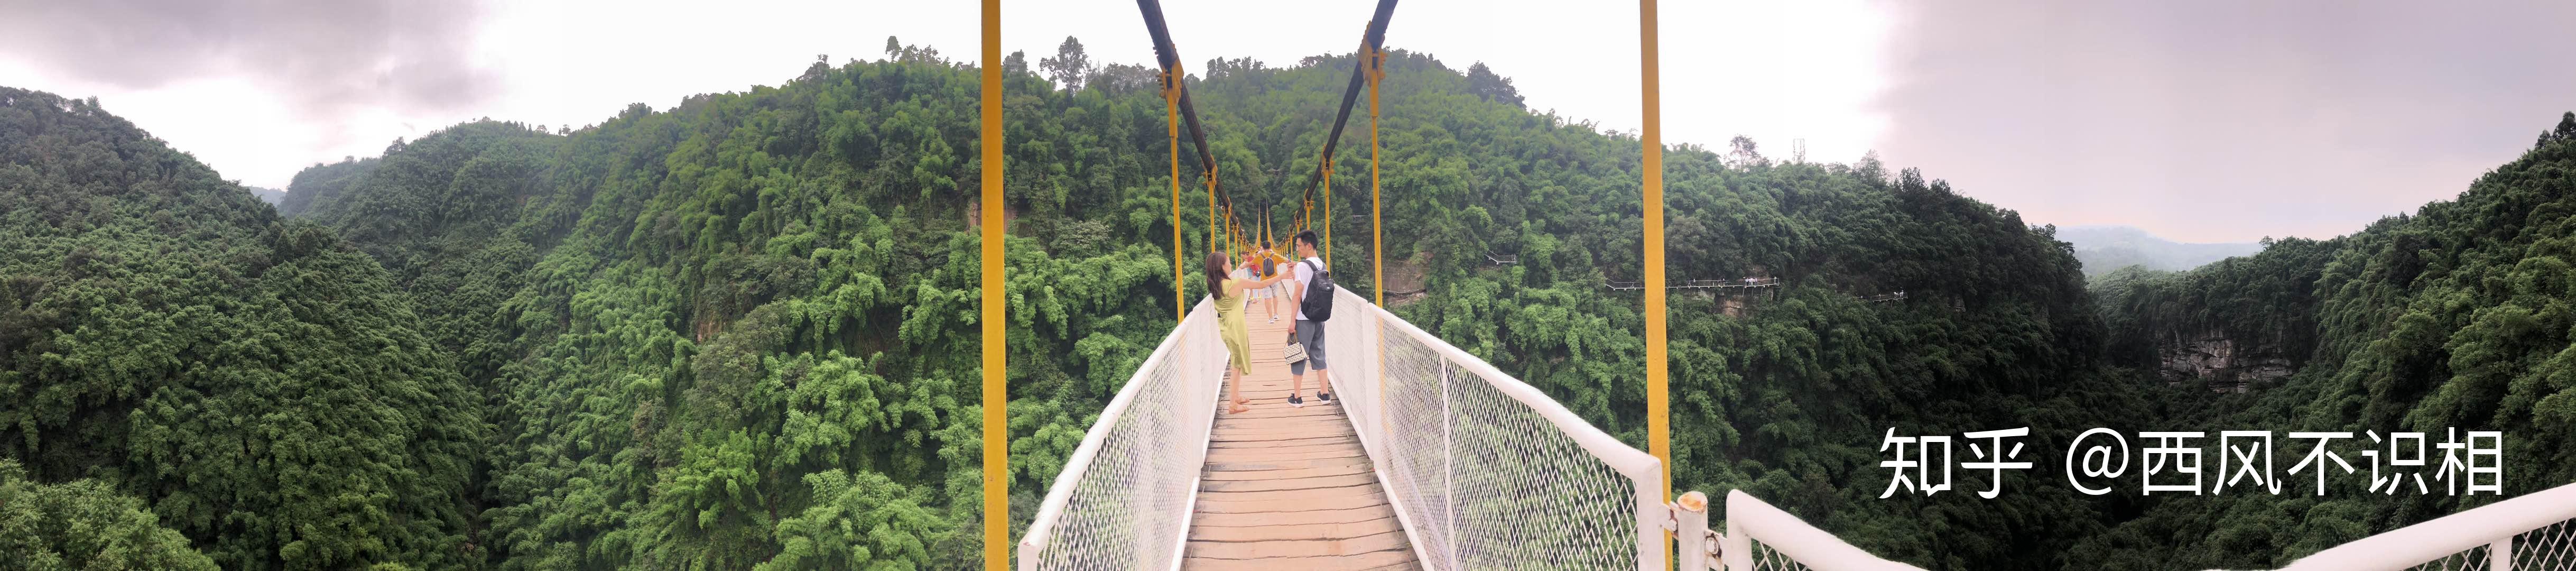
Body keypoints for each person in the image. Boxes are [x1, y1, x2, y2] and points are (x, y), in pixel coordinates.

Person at [1207, 251, 1290, 414]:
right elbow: (1261, 285)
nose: (1231, 265)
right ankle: (1232, 405)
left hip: (1226, 325)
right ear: (1222, 267)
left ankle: (1236, 396)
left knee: (1237, 360)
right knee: (1237, 365)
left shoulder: (1216, 284)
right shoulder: (1234, 283)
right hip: (1235, 326)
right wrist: (1283, 276)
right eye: (1229, 262)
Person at [1283, 230, 1333, 407]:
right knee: (1319, 354)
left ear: (1309, 246)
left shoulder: (1303, 267)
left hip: (1303, 318)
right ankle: (1325, 394)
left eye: (1299, 246)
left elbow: (1297, 295)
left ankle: (1297, 398)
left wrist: (1292, 321)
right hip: (1319, 317)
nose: (1297, 250)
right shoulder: (1322, 265)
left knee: (1298, 355)